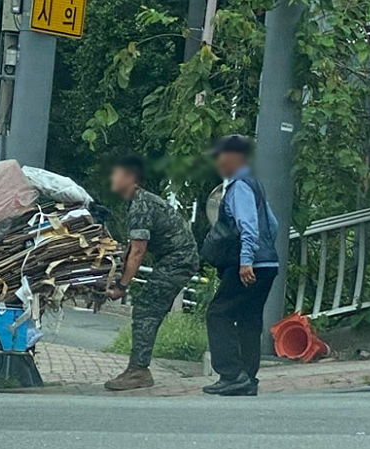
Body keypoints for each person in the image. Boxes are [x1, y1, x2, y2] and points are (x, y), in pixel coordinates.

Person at [105, 155, 199, 391]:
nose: (111, 178)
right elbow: (132, 247)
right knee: (149, 306)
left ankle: (138, 371)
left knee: (147, 308)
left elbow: (138, 251)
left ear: (130, 178)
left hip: (178, 259)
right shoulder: (139, 202)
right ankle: (137, 367)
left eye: (116, 173)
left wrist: (122, 286)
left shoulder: (141, 205)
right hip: (175, 259)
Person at [201, 135, 279, 396]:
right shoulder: (255, 184)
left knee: (218, 313)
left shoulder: (239, 186)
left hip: (248, 265)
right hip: (268, 263)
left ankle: (232, 374)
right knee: (248, 319)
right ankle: (248, 378)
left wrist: (247, 261)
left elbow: (248, 227)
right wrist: (263, 253)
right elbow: (273, 224)